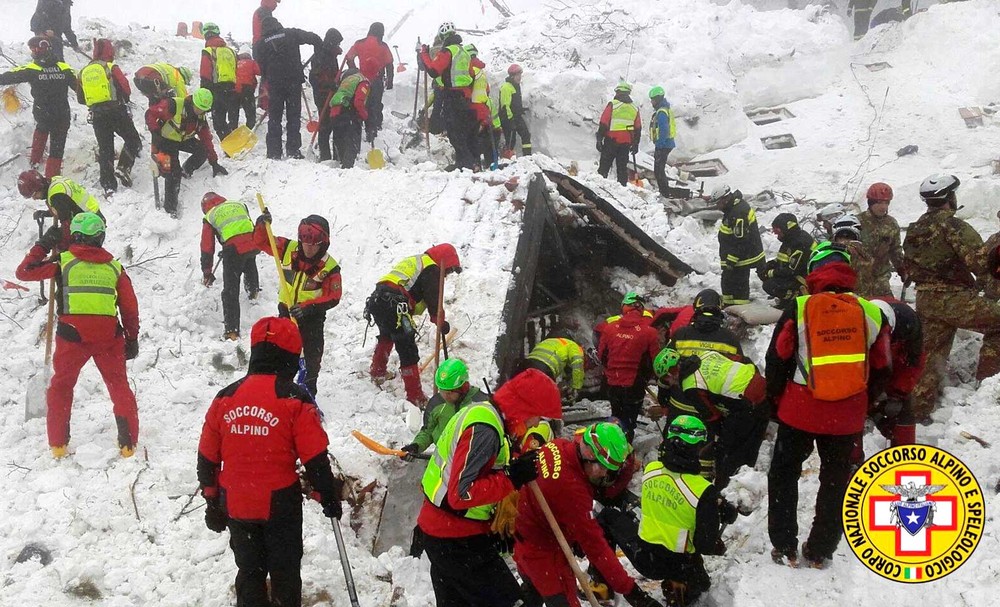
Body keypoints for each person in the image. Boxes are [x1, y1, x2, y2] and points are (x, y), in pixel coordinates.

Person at [197, 315, 343, 607]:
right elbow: (315, 458)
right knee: (285, 572)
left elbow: (206, 457)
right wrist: (327, 494)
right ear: (290, 356)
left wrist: (212, 501)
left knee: (249, 572)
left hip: (236, 502)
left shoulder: (225, 397)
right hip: (279, 505)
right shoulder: (295, 399)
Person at [765, 242, 890, 567]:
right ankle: (820, 549)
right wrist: (864, 402)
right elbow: (882, 365)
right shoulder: (871, 311)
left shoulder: (800, 306)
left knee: (783, 474)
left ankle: (784, 545)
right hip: (846, 417)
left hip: (800, 411)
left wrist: (775, 401)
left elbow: (777, 357)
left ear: (814, 273)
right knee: (836, 480)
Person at [418, 368, 562, 607]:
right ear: (522, 408)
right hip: (455, 541)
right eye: (536, 415)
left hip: (446, 533)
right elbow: (461, 493)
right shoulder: (484, 430)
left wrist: (492, 519)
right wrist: (511, 478)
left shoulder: (484, 415)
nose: (536, 423)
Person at [15, 212, 140, 458]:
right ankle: (128, 445)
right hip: (109, 337)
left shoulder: (63, 261)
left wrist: (43, 245)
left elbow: (24, 272)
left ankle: (59, 446)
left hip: (71, 335)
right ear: (101, 237)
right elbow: (129, 306)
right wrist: (132, 338)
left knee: (61, 387)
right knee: (119, 386)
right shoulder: (115, 267)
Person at [515, 422, 662, 607]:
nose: (604, 474)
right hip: (544, 554)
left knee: (532, 592)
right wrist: (631, 591)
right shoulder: (572, 490)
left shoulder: (559, 445)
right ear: (589, 455)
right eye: (603, 467)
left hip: (525, 536)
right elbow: (596, 547)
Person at [597, 416, 734, 607]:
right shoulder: (704, 491)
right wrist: (716, 512)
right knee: (700, 584)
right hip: (681, 565)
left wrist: (714, 503)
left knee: (607, 517)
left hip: (645, 556)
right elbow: (705, 544)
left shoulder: (652, 470)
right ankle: (679, 585)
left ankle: (600, 585)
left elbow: (677, 489)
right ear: (697, 448)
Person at [903, 174, 1000, 422]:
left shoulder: (915, 230)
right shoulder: (954, 226)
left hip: (925, 300)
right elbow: (980, 264)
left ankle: (913, 417)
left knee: (929, 358)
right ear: (950, 198)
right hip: (954, 300)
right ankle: (989, 388)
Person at [253, 212, 341, 396]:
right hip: (286, 312)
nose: (308, 248)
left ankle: (308, 392)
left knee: (311, 357)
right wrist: (262, 225)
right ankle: (280, 389)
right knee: (281, 352)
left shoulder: (329, 267)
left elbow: (334, 296)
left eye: (313, 245)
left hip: (312, 318)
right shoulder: (287, 249)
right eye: (305, 243)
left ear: (323, 243)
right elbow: (262, 241)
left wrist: (308, 307)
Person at [653, 347, 766, 487]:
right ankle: (747, 480)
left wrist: (723, 436)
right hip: (762, 391)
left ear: (671, 372)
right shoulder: (707, 354)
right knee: (751, 444)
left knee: (726, 451)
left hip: (747, 404)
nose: (669, 383)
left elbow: (712, 416)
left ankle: (724, 489)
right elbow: (744, 360)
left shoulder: (691, 386)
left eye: (665, 378)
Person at [366, 244, 462, 405]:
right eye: (448, 271)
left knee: (386, 336)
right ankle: (415, 396)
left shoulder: (417, 261)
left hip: (379, 299)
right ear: (445, 262)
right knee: (407, 349)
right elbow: (434, 302)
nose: (445, 275)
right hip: (395, 305)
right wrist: (440, 322)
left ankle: (378, 371)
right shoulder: (432, 270)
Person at [0, 36, 76, 178]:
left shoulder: (32, 69)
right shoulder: (65, 68)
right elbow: (80, 88)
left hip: (43, 113)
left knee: (41, 130)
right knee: (57, 149)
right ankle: (51, 179)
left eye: (33, 49)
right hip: (62, 114)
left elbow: (8, 77)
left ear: (36, 51)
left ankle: (34, 163)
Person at [145, 88, 228, 217]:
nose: (200, 111)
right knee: (172, 174)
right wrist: (155, 131)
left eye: (203, 109)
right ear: (193, 101)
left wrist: (214, 161)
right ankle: (170, 208)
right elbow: (150, 114)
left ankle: (186, 170)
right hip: (165, 140)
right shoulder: (174, 105)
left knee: (202, 150)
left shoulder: (200, 118)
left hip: (183, 139)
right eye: (198, 108)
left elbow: (206, 139)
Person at [75, 38, 141, 194]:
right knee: (133, 140)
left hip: (97, 115)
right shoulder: (111, 67)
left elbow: (80, 99)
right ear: (110, 51)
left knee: (106, 150)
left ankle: (108, 186)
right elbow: (126, 89)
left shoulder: (84, 72)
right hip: (116, 111)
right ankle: (123, 168)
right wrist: (121, 99)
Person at [595, 292, 662, 441]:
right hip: (635, 385)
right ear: (641, 310)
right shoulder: (649, 332)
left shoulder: (610, 328)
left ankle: (610, 446)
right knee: (629, 421)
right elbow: (656, 361)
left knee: (616, 417)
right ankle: (625, 450)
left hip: (612, 383)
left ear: (624, 307)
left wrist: (612, 371)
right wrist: (646, 377)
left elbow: (602, 356)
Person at [254, 17, 323, 159]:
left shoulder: (260, 44)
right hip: (293, 83)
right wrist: (319, 55)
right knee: (293, 117)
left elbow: (259, 64)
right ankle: (293, 151)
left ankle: (274, 152)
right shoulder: (291, 33)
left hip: (275, 85)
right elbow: (315, 38)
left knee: (274, 118)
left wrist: (268, 75)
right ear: (278, 24)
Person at [399, 358, 490, 459]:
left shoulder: (481, 405)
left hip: (472, 462)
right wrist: (416, 446)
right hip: (443, 460)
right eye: (442, 391)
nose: (445, 396)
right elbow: (428, 431)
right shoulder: (437, 404)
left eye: (449, 392)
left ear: (463, 388)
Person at [200, 193, 260, 340]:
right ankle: (253, 291)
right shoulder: (238, 204)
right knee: (249, 260)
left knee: (230, 291)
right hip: (254, 242)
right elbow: (244, 227)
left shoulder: (210, 215)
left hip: (233, 250)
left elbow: (207, 246)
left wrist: (207, 271)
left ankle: (231, 331)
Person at [419, 23, 478, 170]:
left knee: (454, 132)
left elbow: (433, 71)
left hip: (452, 96)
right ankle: (463, 164)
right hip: (465, 97)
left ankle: (470, 164)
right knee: (462, 131)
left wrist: (424, 54)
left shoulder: (447, 51)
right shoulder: (463, 51)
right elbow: (471, 74)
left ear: (443, 37)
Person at [868, 299, 923, 447]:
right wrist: (873, 404)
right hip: (866, 368)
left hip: (897, 359)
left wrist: (898, 393)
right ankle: (853, 462)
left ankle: (904, 451)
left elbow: (914, 361)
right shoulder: (858, 323)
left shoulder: (909, 322)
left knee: (904, 408)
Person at [17, 170, 103, 250]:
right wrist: (46, 213)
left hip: (92, 226)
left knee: (77, 256)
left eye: (34, 195)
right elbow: (66, 206)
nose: (34, 198)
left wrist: (62, 249)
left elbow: (67, 225)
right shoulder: (54, 182)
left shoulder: (57, 196)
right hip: (91, 216)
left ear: (40, 187)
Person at [712, 185, 764, 307]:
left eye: (718, 203)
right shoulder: (733, 208)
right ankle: (730, 306)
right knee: (728, 283)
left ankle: (740, 309)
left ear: (725, 199)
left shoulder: (738, 213)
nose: (717, 206)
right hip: (737, 255)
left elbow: (741, 240)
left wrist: (731, 260)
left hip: (741, 258)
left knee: (738, 286)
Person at [345, 22, 394, 143]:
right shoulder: (383, 46)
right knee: (374, 105)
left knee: (360, 103)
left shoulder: (359, 43)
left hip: (361, 80)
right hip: (376, 80)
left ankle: (357, 130)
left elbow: (349, 58)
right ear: (381, 33)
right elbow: (389, 64)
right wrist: (389, 81)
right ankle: (372, 131)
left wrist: (355, 71)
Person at [856, 182, 906, 298]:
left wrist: (902, 269)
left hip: (881, 282)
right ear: (871, 202)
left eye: (886, 202)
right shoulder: (857, 222)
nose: (883, 207)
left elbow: (895, 250)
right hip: (858, 282)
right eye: (879, 202)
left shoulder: (891, 224)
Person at [668, 289, 744, 359]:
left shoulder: (680, 335)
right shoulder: (730, 339)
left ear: (695, 308)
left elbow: (662, 365)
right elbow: (741, 368)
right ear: (720, 309)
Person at [760, 212, 815, 309]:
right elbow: (783, 259)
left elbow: (792, 270)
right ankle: (786, 297)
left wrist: (770, 273)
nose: (776, 234)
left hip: (804, 279)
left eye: (777, 230)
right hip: (796, 274)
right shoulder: (790, 239)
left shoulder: (800, 243)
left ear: (787, 228)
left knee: (770, 285)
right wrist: (770, 265)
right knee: (766, 275)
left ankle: (794, 298)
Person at [320, 67, 369, 167]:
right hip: (346, 112)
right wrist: (365, 116)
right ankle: (347, 170)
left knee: (340, 141)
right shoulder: (363, 81)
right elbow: (358, 102)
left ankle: (338, 165)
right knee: (351, 144)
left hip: (334, 113)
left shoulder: (346, 80)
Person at [199, 22, 240, 140]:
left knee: (219, 122)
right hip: (232, 89)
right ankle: (235, 143)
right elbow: (237, 69)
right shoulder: (231, 51)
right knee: (231, 121)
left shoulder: (208, 51)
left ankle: (231, 147)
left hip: (217, 90)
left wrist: (204, 92)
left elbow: (205, 73)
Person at [597, 81, 641, 186]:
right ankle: (622, 189)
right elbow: (638, 128)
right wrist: (635, 144)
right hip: (626, 143)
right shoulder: (634, 108)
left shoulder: (613, 104)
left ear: (618, 92)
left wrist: (599, 138)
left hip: (611, 141)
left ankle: (598, 187)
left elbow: (604, 122)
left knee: (604, 168)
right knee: (622, 169)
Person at [648, 85, 677, 198]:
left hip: (664, 144)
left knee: (658, 170)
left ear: (658, 99)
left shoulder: (661, 112)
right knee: (659, 169)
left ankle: (664, 193)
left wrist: (660, 144)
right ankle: (664, 192)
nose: (651, 102)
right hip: (666, 143)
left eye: (653, 99)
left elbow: (664, 129)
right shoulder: (665, 109)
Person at [499, 64, 532, 158]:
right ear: (512, 76)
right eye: (518, 75)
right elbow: (505, 105)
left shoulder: (516, 86)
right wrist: (510, 120)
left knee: (526, 135)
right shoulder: (506, 87)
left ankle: (528, 157)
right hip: (508, 119)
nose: (519, 77)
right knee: (510, 141)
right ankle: (507, 159)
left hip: (516, 117)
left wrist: (520, 109)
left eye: (520, 75)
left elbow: (514, 102)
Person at [309, 28, 343, 111]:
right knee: (325, 121)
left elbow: (334, 72)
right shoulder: (320, 56)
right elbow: (314, 78)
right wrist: (329, 84)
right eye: (337, 43)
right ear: (332, 42)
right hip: (323, 95)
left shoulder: (332, 55)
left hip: (331, 93)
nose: (338, 45)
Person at [235, 52, 261, 128]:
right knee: (250, 113)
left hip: (235, 89)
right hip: (247, 89)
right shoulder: (252, 62)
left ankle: (233, 130)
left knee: (234, 113)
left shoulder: (236, 63)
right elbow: (259, 72)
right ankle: (249, 130)